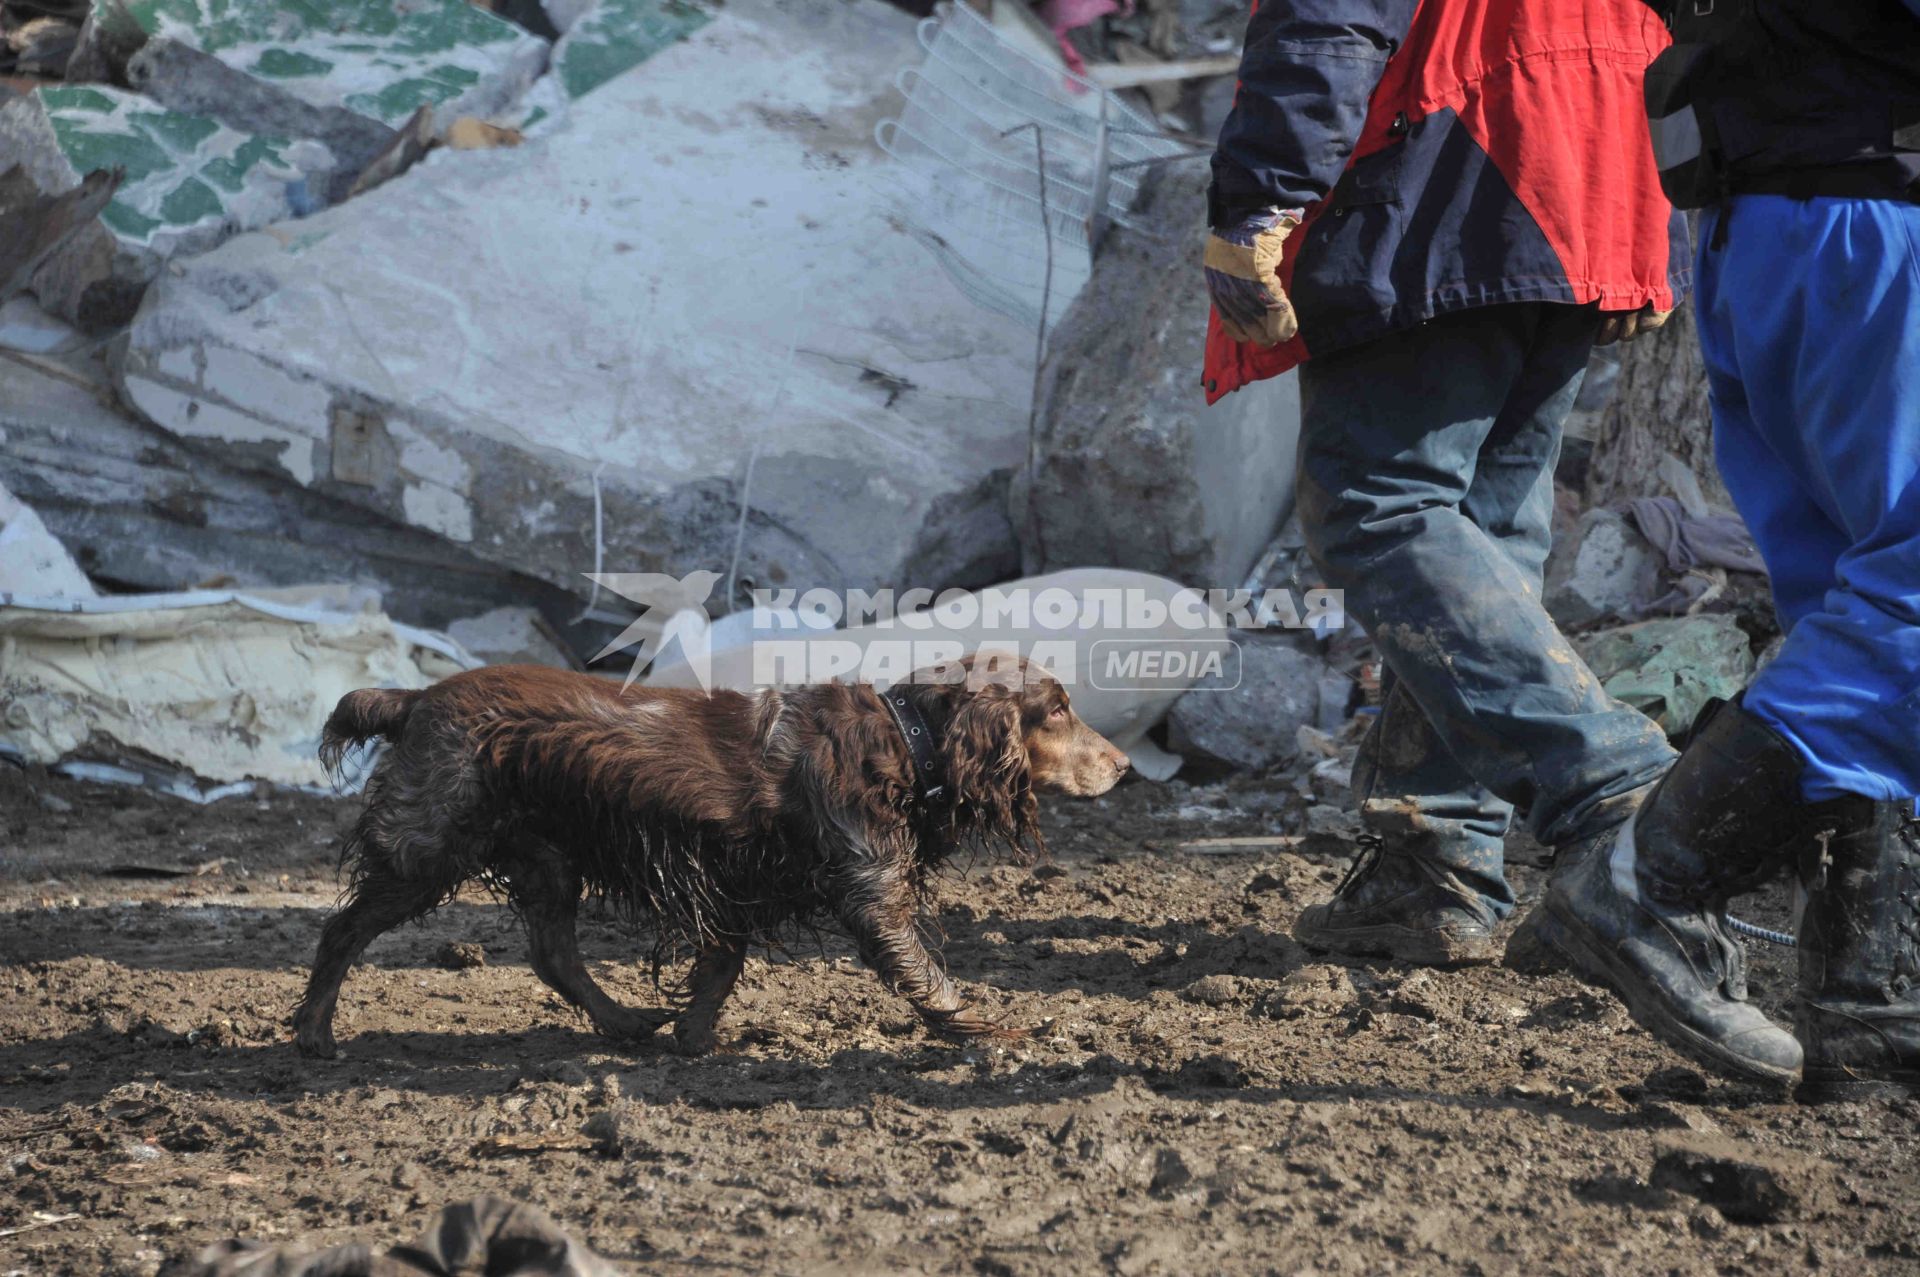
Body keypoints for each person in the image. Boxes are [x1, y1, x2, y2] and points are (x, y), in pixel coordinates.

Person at [1202, 0, 1802, 1082]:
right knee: (1481, 524)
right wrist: (1653, 211)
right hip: (1593, 155)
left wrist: (1261, 194)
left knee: (1379, 505)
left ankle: (1615, 785)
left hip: (1465, 148)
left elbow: (1330, 11)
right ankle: (1433, 860)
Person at [1540, 0, 1920, 1101]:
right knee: (1900, 608)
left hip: (1767, 216)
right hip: (1867, 205)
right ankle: (1643, 878)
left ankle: (1870, 1017)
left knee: (1853, 617)